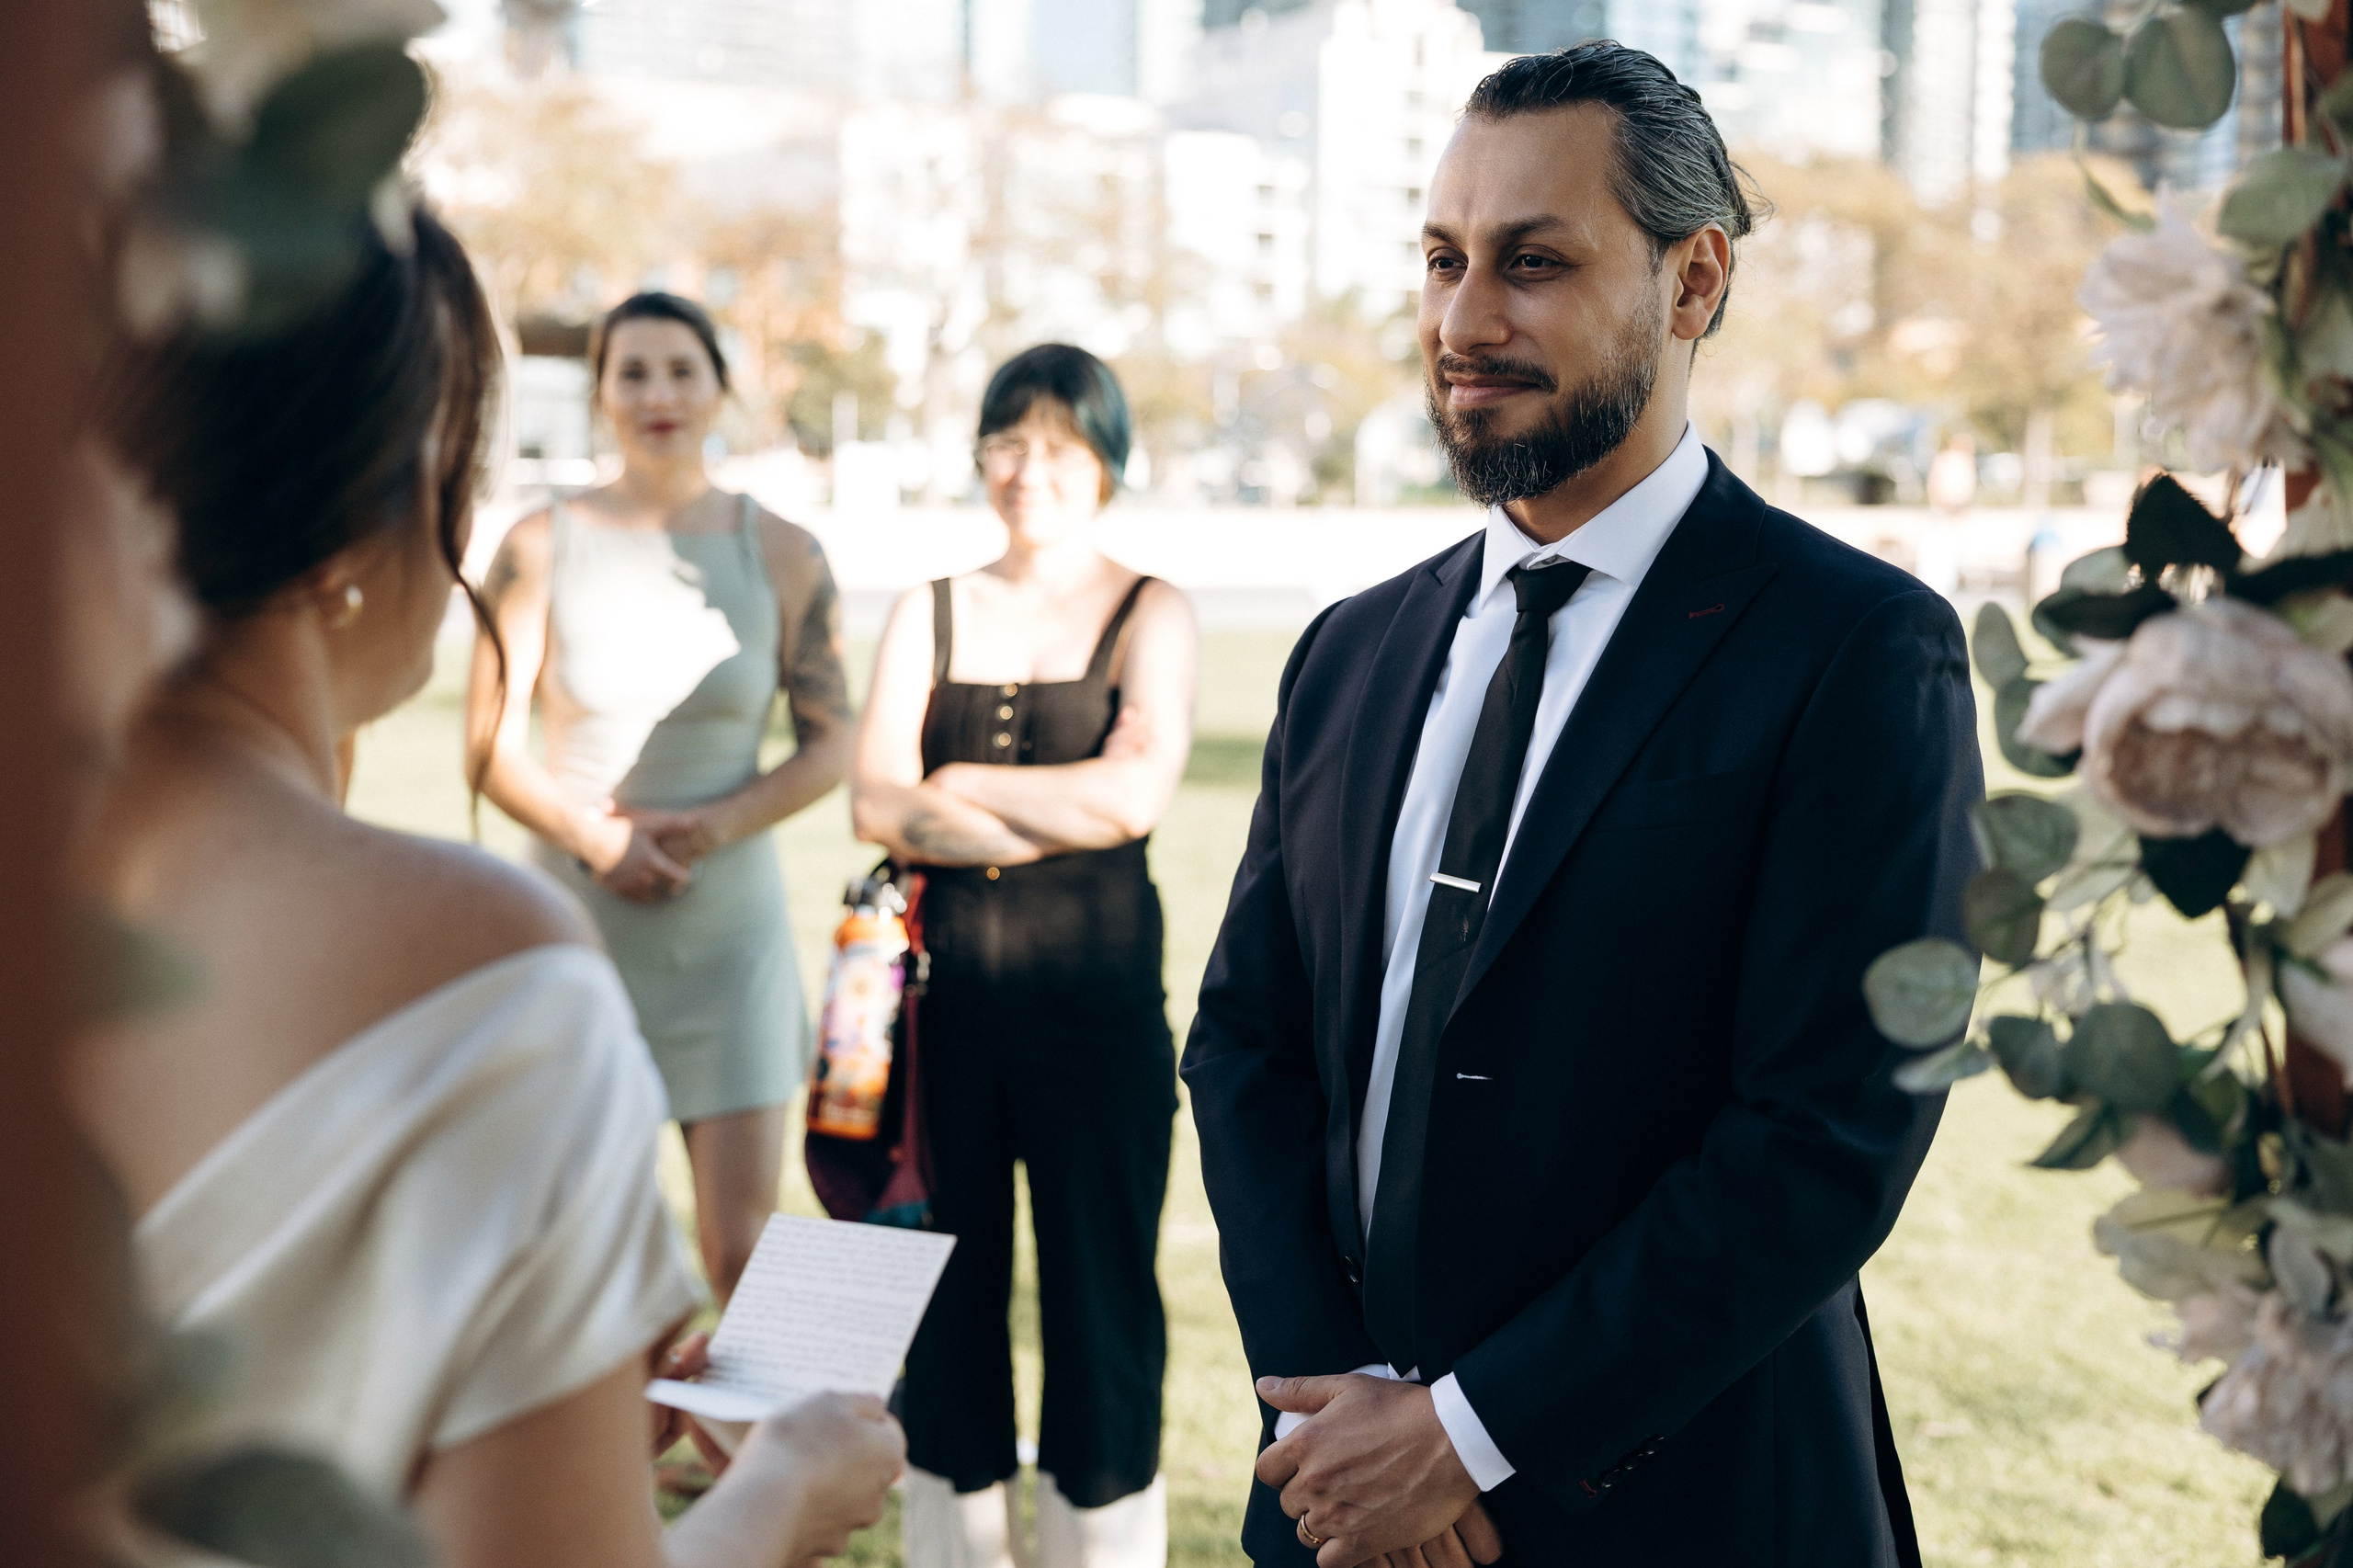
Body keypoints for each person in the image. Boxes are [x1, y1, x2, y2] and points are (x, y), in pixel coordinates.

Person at [1183, 43, 1979, 1568]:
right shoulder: (1351, 651)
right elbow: (1245, 1049)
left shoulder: (1858, 647)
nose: (1463, 320)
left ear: (1695, 282)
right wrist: (1332, 1411)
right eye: (1441, 259)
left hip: (1690, 1507)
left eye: (1532, 263)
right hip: (1337, 1498)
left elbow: (1829, 1131)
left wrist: (1472, 1436)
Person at [73, 208, 903, 1566]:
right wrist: (788, 1489)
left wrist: (523, 1396)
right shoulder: (479, 965)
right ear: (368, 515)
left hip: (725, 924)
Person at [848, 345, 1197, 1568]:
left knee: (1105, 1305)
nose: (1026, 470)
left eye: (1056, 445)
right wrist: (1058, 798)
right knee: (945, 1305)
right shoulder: (927, 607)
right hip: (942, 1020)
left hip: (1097, 1017)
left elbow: (1137, 796)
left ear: (1105, 458)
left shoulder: (1151, 607)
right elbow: (872, 802)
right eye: (1006, 442)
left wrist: (955, 785)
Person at [467, 291, 851, 1300]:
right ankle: (610, 1457)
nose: (658, 393)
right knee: (590, 1246)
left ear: (721, 385)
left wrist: (713, 827)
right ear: (599, 393)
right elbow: (487, 745)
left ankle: (741, 1459)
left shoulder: (787, 552)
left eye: (681, 368)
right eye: (631, 371)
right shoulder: (537, 543)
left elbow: (831, 743)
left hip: (730, 933)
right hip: (578, 919)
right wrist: (599, 842)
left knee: (742, 1248)